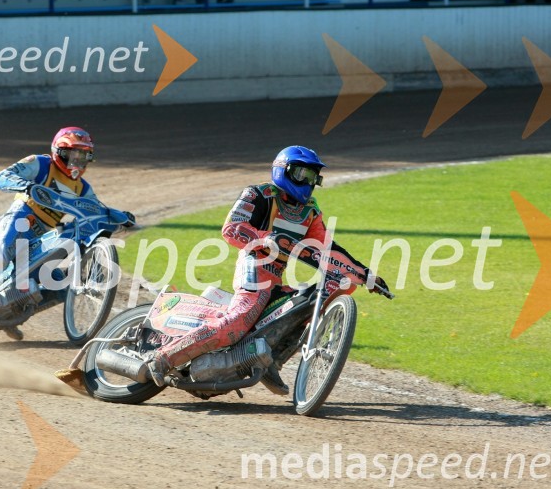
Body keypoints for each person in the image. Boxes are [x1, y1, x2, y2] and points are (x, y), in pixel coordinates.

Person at [147, 146, 387, 393]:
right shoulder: (258, 194)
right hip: (253, 265)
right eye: (302, 174)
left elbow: (326, 249)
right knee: (239, 320)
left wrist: (365, 275)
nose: (308, 182)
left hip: (275, 278)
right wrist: (263, 239)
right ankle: (164, 358)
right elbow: (231, 228)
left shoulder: (311, 211)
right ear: (284, 170)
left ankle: (272, 361)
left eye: (313, 177)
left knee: (308, 306)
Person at [0, 126, 135, 306]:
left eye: (83, 156)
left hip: (42, 237)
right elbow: (3, 177)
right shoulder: (40, 163)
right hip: (20, 218)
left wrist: (118, 216)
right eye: (74, 155)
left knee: (58, 285)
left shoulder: (83, 188)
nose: (78, 161)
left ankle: (6, 313)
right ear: (60, 151)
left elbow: (95, 210)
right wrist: (26, 186)